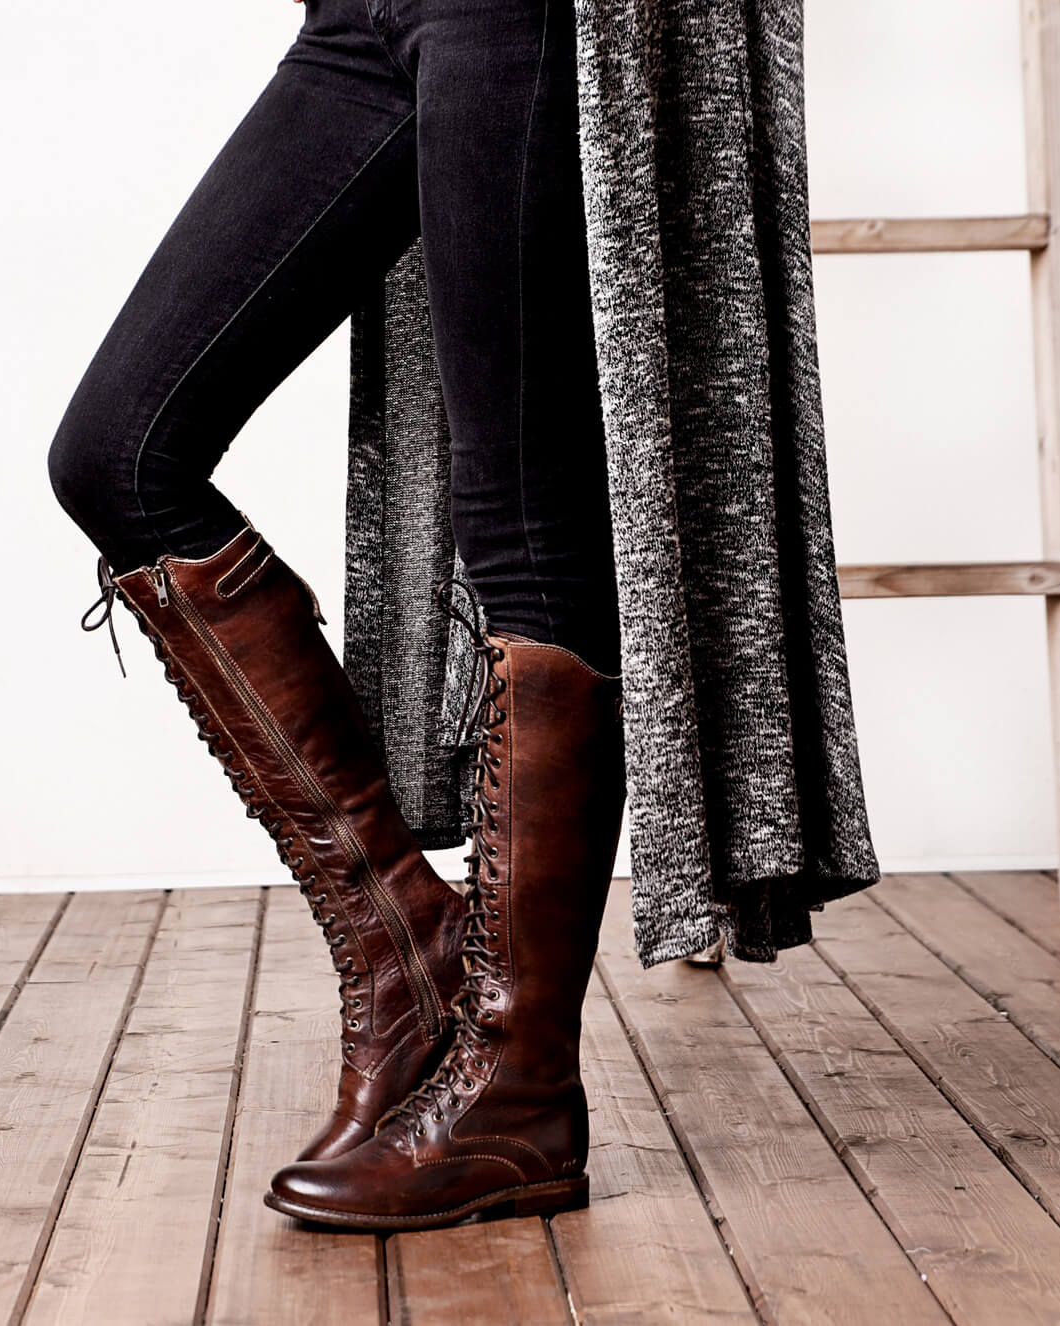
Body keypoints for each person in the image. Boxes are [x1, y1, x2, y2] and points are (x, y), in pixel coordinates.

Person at [48, 0, 881, 1231]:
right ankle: (398, 949)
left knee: (525, 530)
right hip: (363, 18)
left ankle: (518, 1083)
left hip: (528, 16)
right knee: (118, 454)